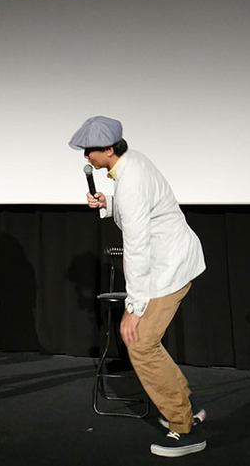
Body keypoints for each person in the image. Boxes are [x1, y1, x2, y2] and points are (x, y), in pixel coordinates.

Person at [70, 116, 207, 458]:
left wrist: (133, 308)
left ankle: (185, 429)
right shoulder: (133, 163)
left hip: (168, 267)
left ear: (109, 150)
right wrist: (109, 205)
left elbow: (136, 246)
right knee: (148, 344)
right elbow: (145, 210)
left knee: (141, 345)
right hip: (174, 259)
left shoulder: (130, 180)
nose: (87, 157)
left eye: (90, 151)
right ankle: (188, 408)